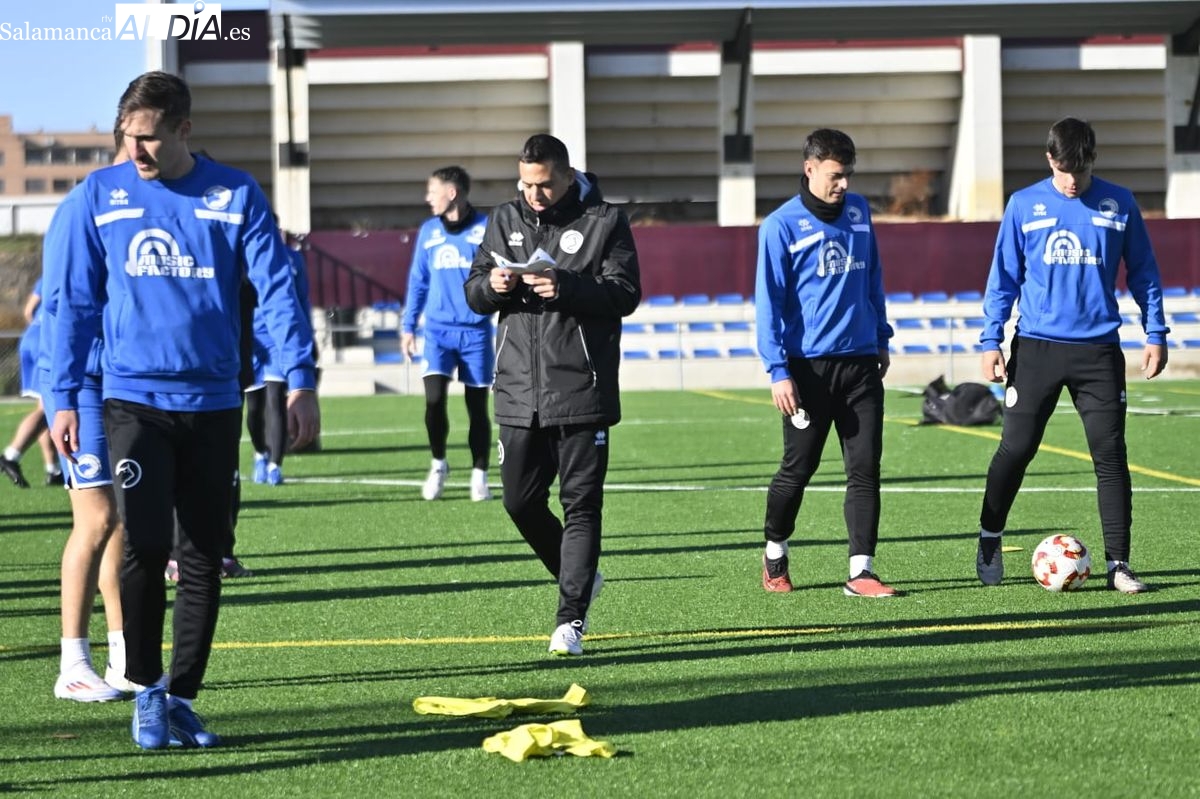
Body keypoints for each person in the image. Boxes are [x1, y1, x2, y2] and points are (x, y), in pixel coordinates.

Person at [48, 71, 319, 750]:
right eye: (127, 138)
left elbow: (279, 289)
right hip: (132, 400)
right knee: (143, 543)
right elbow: (74, 306)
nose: (136, 151)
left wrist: (299, 377)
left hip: (215, 401)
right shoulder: (99, 197)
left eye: (148, 138)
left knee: (203, 553)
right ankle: (143, 687)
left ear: (183, 130)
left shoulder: (235, 194)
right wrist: (60, 396)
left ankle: (182, 696)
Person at [974, 117, 1168, 594]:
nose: (1071, 181)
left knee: (1109, 455)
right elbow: (1002, 279)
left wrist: (1156, 331)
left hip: (1099, 352)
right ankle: (989, 537)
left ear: (1092, 161)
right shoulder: (1023, 205)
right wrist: (989, 338)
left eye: (1078, 172)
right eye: (1062, 171)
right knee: (1016, 450)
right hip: (1036, 348)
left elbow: (1143, 271)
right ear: (1049, 160)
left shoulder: (1119, 203)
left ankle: (1119, 563)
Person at [464, 134, 641, 656]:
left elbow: (626, 294)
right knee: (519, 502)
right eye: (525, 183)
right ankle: (580, 577)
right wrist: (492, 287)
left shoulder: (606, 220)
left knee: (581, 506)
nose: (533, 194)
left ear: (566, 175)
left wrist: (567, 286)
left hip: (580, 388)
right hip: (518, 388)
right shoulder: (504, 218)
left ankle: (570, 620)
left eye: (542, 185)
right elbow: (473, 290)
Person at [755, 128, 897, 598]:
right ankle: (775, 549)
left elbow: (873, 274)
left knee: (865, 469)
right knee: (799, 469)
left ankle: (861, 570)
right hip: (807, 371)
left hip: (860, 366)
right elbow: (768, 304)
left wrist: (880, 336)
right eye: (835, 176)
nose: (843, 185)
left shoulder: (858, 212)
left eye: (848, 176)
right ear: (810, 168)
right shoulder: (780, 226)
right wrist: (778, 371)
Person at [40, 126, 133, 703]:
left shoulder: (156, 199)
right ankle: (72, 662)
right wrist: (63, 394)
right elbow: (60, 306)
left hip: (128, 379)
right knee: (95, 519)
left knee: (123, 520)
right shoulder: (84, 202)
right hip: (85, 384)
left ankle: (125, 656)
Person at [401, 166, 494, 502]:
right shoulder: (428, 231)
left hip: (476, 334)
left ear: (451, 193)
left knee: (477, 407)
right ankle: (439, 463)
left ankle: (479, 473)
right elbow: (418, 281)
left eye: (432, 191)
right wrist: (408, 326)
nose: (428, 198)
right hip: (438, 333)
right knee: (434, 401)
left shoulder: (485, 229)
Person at [245, 217, 314, 488]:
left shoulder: (293, 259)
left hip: (279, 342)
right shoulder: (245, 256)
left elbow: (302, 299)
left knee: (275, 399)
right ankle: (260, 452)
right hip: (250, 340)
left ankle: (275, 464)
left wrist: (306, 336)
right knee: (253, 408)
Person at [1, 280, 64, 488]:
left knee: (44, 404)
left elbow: (29, 310)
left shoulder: (48, 274)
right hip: (49, 344)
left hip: (31, 339)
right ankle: (11, 455)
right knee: (49, 409)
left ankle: (52, 469)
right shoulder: (81, 268)